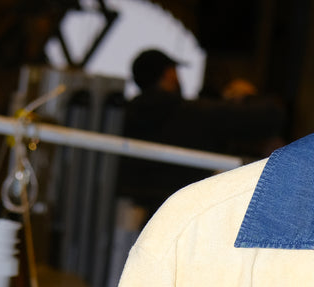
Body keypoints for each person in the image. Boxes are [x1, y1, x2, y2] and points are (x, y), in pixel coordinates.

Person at [117, 49, 285, 219]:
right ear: (168, 74)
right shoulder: (191, 113)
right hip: (190, 217)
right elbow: (271, 116)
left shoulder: (119, 120)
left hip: (136, 219)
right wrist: (245, 97)